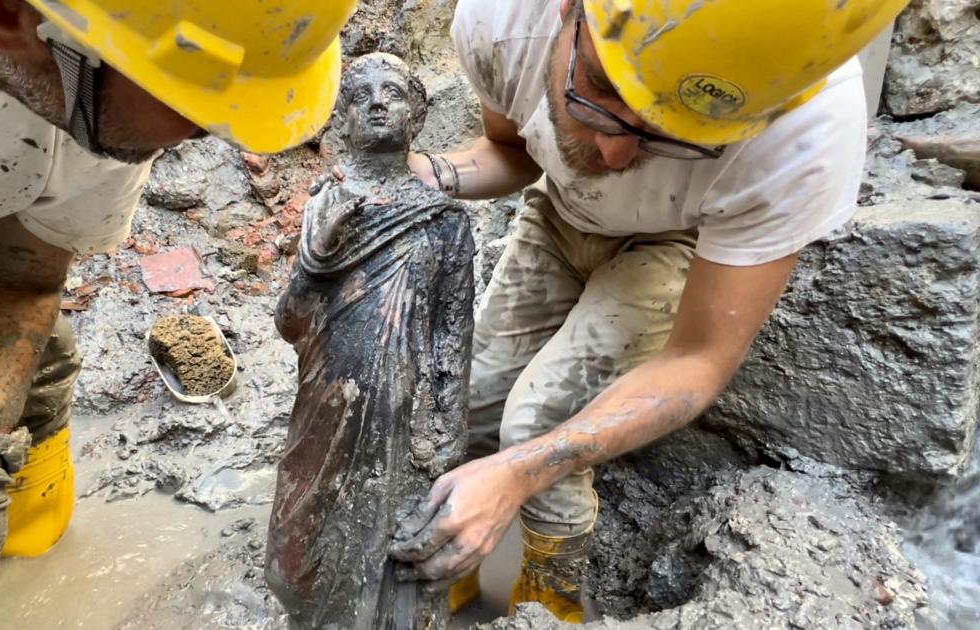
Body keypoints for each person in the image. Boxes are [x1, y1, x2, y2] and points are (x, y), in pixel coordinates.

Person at [0, 0, 355, 627]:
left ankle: (18, 559)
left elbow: (21, 279)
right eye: (200, 100)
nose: (222, 131)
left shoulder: (88, 89)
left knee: (31, 370)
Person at [388, 0, 909, 622]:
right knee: (469, 402)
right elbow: (512, 151)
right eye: (601, 92)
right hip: (558, 215)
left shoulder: (807, 128)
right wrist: (418, 178)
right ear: (568, 10)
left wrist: (522, 471)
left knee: (539, 423)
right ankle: (452, 580)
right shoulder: (502, 20)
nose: (613, 157)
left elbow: (700, 357)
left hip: (679, 239)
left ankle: (550, 595)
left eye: (675, 138)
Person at [265, 53, 474, 630]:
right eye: (361, 96)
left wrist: (445, 433)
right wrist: (316, 265)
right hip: (324, 408)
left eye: (394, 92)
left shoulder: (444, 220)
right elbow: (288, 325)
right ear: (342, 119)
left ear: (419, 115)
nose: (378, 102)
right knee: (303, 545)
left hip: (404, 417)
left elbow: (453, 343)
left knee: (394, 548)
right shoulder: (323, 207)